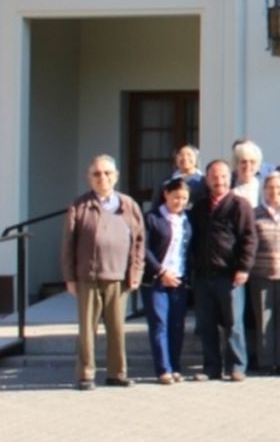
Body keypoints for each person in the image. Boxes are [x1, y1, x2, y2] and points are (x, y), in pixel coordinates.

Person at [62, 155, 146, 389]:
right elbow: (68, 244)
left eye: (107, 173)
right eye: (97, 174)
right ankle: (85, 375)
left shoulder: (128, 205)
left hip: (118, 277)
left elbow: (139, 241)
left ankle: (117, 373)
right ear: (89, 178)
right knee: (87, 330)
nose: (103, 178)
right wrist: (69, 277)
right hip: (87, 277)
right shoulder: (80, 205)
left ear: (116, 176)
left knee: (117, 329)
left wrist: (136, 272)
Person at [190, 158, 257, 382]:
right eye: (214, 177)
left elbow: (249, 239)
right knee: (206, 325)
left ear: (230, 179)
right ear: (207, 180)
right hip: (203, 276)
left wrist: (244, 268)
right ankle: (211, 368)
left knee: (233, 324)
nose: (219, 181)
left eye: (223, 177)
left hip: (230, 275)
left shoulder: (240, 205)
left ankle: (237, 366)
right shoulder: (199, 207)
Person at [249, 171, 280, 376]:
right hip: (261, 274)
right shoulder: (254, 214)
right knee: (264, 319)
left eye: (279, 188)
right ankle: (266, 362)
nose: (274, 192)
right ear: (264, 190)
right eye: (270, 188)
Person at [143, 176, 192, 384]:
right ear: (166, 195)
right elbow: (143, 249)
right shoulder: (152, 218)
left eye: (183, 198)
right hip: (156, 280)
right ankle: (163, 369)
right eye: (175, 197)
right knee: (159, 324)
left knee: (177, 325)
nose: (179, 202)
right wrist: (161, 272)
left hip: (179, 279)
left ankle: (175, 366)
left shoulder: (186, 220)